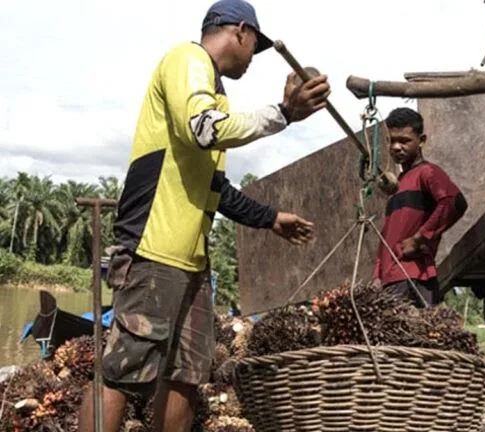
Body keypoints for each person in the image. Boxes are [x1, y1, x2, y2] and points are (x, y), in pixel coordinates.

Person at [77, 1, 330, 431]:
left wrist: (269, 217)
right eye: (255, 47)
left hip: (191, 263)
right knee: (122, 371)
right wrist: (283, 113)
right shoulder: (187, 59)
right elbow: (202, 129)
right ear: (241, 31)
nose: (252, 59)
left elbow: (215, 190)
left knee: (186, 376)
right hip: (155, 249)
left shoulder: (214, 92)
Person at [372, 107, 468, 307]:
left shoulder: (427, 172)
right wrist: (377, 275)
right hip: (391, 279)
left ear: (421, 141)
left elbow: (454, 202)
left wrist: (419, 239)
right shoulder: (399, 184)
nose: (396, 147)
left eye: (404, 140)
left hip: (413, 277)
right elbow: (387, 235)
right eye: (392, 140)